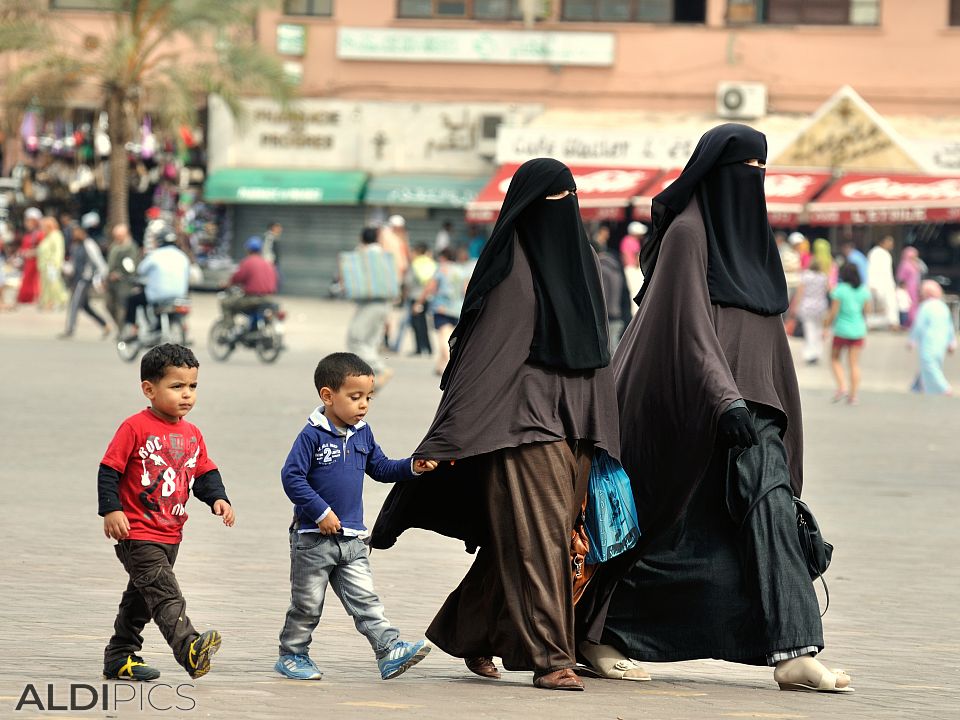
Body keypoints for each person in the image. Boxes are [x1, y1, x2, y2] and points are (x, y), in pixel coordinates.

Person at [582, 124, 852, 694]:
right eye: (743, 169)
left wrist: (776, 404)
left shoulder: (755, 243)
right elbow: (687, 325)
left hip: (758, 409)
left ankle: (796, 649)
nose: (752, 180)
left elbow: (767, 334)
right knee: (666, 529)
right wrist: (722, 398)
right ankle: (600, 634)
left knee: (774, 513)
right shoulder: (687, 233)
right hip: (693, 409)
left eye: (761, 168)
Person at [371, 158, 620, 692]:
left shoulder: (587, 264)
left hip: (573, 426)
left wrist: (602, 429)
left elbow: (598, 358)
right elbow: (484, 359)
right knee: (542, 542)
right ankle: (552, 657)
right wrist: (448, 436)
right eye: (555, 199)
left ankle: (469, 631)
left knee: (527, 539)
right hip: (519, 426)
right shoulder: (512, 271)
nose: (564, 209)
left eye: (569, 197)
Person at [275, 352, 436, 681]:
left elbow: (380, 468)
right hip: (312, 539)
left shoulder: (363, 433)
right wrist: (320, 512)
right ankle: (292, 654)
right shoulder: (312, 435)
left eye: (368, 397)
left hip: (352, 539)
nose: (363, 404)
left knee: (365, 599)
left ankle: (388, 650)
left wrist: (411, 467)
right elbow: (292, 477)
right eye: (355, 397)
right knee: (307, 605)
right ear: (328, 396)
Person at [98, 344, 234, 681]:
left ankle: (120, 655)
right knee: (164, 592)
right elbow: (109, 471)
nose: (187, 395)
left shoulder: (192, 433)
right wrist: (112, 510)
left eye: (193, 386)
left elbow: (203, 473)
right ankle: (188, 647)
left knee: (142, 598)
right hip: (137, 532)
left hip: (171, 532)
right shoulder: (135, 427)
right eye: (177, 387)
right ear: (149, 389)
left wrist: (218, 498)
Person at [346, 227, 396, 383]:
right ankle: (368, 377)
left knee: (355, 339)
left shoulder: (362, 254)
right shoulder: (385, 254)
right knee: (371, 341)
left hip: (369, 303)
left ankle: (380, 369)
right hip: (385, 303)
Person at [123, 228, 190, 339]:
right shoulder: (183, 256)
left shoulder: (154, 255)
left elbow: (141, 270)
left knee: (133, 300)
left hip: (158, 295)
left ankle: (134, 330)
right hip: (179, 294)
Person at [416, 247, 470, 375]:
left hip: (441, 307)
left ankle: (448, 362)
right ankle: (439, 366)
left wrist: (419, 302)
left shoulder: (441, 269)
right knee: (450, 335)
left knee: (443, 336)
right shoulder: (462, 270)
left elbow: (430, 287)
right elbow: (466, 289)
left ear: (443, 257)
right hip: (457, 308)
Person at [826, 262, 872, 405]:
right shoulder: (864, 291)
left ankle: (842, 387)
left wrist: (825, 325)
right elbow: (867, 311)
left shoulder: (839, 290)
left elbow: (833, 312)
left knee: (834, 358)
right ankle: (853, 396)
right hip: (858, 330)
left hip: (842, 329)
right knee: (854, 364)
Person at [61, 226, 111, 339]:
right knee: (85, 306)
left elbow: (99, 262)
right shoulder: (75, 246)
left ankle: (70, 329)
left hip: (84, 279)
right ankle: (105, 324)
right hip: (76, 279)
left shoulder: (89, 244)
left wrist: (100, 278)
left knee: (74, 303)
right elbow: (74, 264)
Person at [908, 280, 956, 395]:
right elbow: (950, 326)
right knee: (931, 366)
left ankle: (944, 388)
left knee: (929, 364)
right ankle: (916, 387)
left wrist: (912, 340)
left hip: (929, 343)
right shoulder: (943, 307)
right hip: (941, 343)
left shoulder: (926, 306)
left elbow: (918, 325)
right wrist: (952, 342)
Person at [221, 236, 277, 323]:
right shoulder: (268, 263)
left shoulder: (248, 262)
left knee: (226, 303)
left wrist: (226, 284)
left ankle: (228, 327)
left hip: (253, 299)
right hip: (269, 298)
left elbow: (237, 278)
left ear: (248, 250)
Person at [594, 225, 629, 350]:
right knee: (615, 347)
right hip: (618, 313)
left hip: (608, 316)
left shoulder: (602, 269)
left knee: (610, 350)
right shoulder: (615, 268)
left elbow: (604, 294)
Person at [789, 258, 830, 365]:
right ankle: (817, 352)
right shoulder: (823, 277)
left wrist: (795, 306)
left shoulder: (805, 276)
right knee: (818, 330)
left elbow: (800, 292)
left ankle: (810, 353)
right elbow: (827, 290)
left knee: (809, 330)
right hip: (820, 306)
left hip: (807, 306)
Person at [404, 243, 437, 356]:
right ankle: (428, 348)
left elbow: (408, 281)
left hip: (416, 297)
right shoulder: (431, 263)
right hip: (427, 297)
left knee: (417, 324)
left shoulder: (415, 264)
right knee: (424, 324)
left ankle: (419, 348)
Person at [105, 224, 139, 329]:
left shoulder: (130, 247)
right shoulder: (115, 246)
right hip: (112, 282)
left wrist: (119, 273)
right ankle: (121, 327)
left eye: (119, 235)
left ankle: (122, 330)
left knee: (122, 307)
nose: (117, 238)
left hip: (124, 282)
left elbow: (132, 265)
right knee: (109, 305)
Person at [36, 216, 69, 311]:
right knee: (46, 285)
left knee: (54, 284)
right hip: (44, 265)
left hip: (51, 265)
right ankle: (47, 302)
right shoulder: (47, 236)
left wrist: (55, 264)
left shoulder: (56, 235)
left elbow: (58, 251)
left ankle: (60, 301)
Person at [867, 235, 899, 330]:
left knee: (891, 305)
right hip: (877, 285)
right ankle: (871, 324)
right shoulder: (875, 253)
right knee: (875, 306)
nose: (891, 245)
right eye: (889, 242)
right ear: (882, 242)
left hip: (888, 284)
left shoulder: (886, 254)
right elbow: (871, 270)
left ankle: (893, 324)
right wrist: (872, 284)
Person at [15, 207, 43, 304]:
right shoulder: (28, 234)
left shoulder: (39, 234)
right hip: (28, 263)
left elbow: (42, 249)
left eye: (29, 221)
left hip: (35, 263)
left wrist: (31, 252)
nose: (26, 223)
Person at [896, 246, 924, 328]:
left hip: (915, 288)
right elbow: (901, 278)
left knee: (914, 305)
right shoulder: (904, 264)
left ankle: (914, 322)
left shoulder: (915, 264)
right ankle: (907, 322)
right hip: (907, 288)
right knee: (907, 305)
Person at [620, 221, 646, 309]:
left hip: (629, 268)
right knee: (636, 291)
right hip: (633, 269)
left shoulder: (626, 240)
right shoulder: (631, 241)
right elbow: (637, 257)